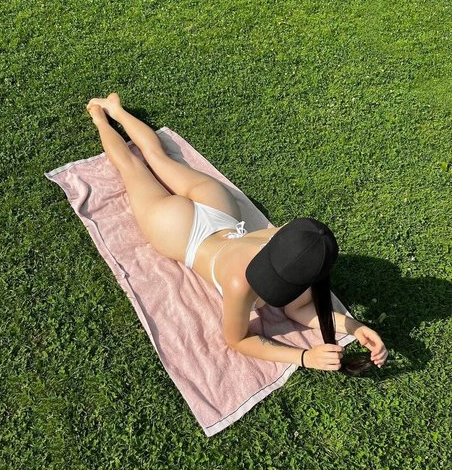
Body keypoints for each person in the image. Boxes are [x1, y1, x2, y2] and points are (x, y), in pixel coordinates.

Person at [86, 93, 388, 372]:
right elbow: (238, 340)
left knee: (155, 156)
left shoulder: (289, 241)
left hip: (219, 212)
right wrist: (303, 356)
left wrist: (356, 327)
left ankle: (115, 110)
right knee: (131, 166)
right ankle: (100, 117)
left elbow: (299, 309)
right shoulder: (239, 283)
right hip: (180, 233)